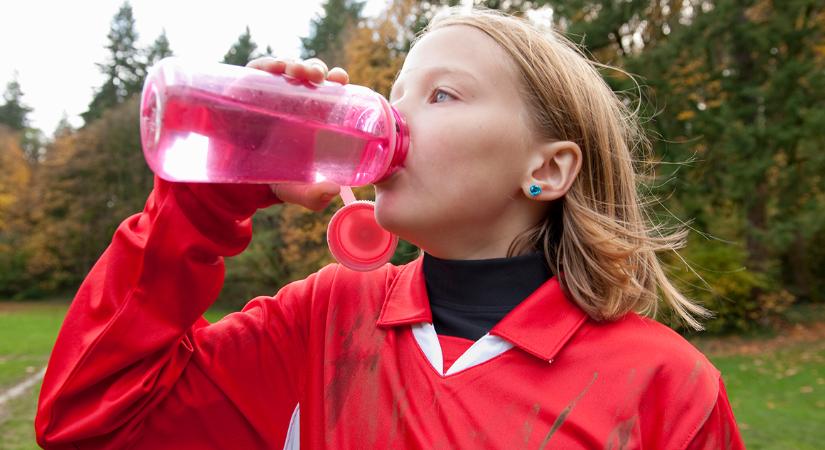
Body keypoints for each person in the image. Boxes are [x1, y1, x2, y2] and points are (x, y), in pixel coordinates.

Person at [35, 7, 745, 449]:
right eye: (395, 94)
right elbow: (90, 422)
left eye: (441, 94)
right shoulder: (320, 320)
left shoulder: (666, 387)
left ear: (547, 169)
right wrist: (205, 203)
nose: (395, 119)